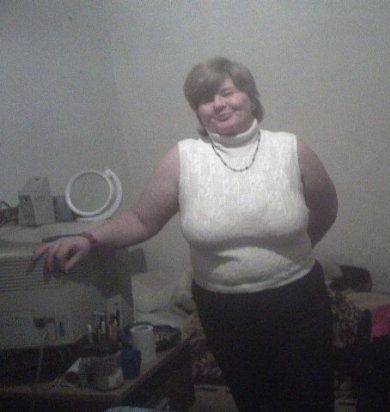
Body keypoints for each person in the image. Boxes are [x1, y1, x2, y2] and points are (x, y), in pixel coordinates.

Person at [34, 57, 338, 412]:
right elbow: (141, 220)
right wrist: (89, 239)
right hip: (224, 310)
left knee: (311, 398)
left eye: (227, 92)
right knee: (254, 400)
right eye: (205, 99)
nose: (218, 104)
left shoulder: (290, 149)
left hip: (297, 300)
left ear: (251, 97)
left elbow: (326, 209)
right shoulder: (184, 158)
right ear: (198, 112)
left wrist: (287, 255)